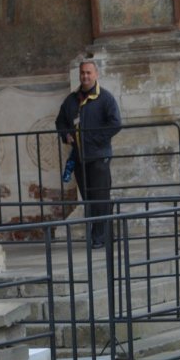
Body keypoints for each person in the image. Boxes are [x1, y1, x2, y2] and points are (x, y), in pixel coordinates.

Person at [55, 59, 122, 248]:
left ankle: (99, 238)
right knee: (88, 198)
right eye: (82, 73)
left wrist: (91, 139)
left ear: (96, 75)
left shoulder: (105, 98)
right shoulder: (71, 100)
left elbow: (115, 123)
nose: (85, 76)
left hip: (99, 156)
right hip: (79, 157)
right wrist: (66, 134)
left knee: (100, 197)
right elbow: (60, 122)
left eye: (88, 73)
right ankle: (106, 235)